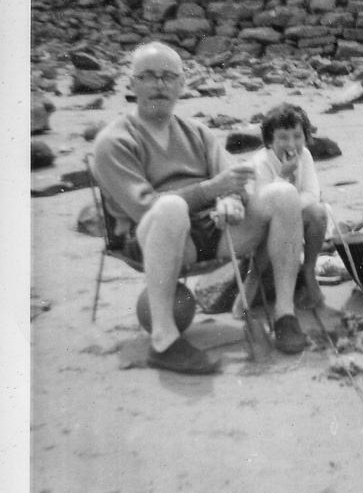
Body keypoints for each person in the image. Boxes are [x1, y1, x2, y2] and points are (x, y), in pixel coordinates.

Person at [93, 42, 308, 375]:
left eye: (168, 77)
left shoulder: (197, 133)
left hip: (212, 229)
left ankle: (284, 314)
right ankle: (163, 341)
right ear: (132, 83)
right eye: (148, 76)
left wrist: (231, 200)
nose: (159, 85)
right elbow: (145, 207)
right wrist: (212, 190)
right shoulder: (114, 141)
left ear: (182, 84)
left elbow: (234, 180)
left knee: (283, 194)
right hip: (155, 236)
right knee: (170, 207)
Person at [250, 103, 330, 309]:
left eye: (297, 136)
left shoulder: (305, 156)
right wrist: (283, 175)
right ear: (270, 141)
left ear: (306, 137)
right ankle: (250, 287)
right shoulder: (261, 161)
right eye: (283, 138)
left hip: (292, 216)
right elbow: (264, 202)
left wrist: (292, 210)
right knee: (275, 225)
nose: (291, 144)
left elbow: (312, 194)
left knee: (318, 213)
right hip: (264, 222)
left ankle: (308, 270)